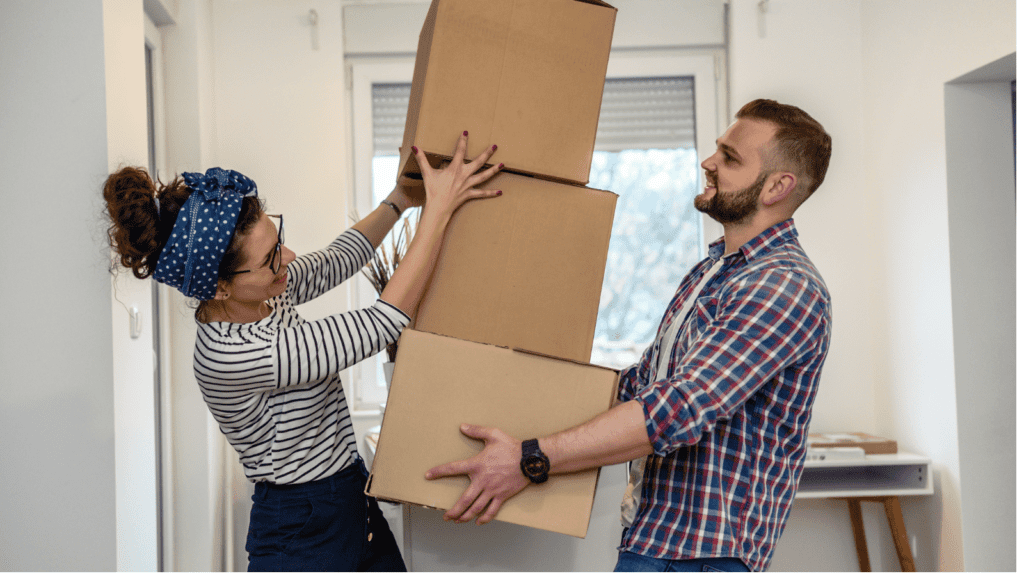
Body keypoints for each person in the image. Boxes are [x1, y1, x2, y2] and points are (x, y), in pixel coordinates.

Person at [423, 99, 833, 572]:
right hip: (656, 539)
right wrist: (512, 387)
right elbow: (641, 384)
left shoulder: (783, 284)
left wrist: (530, 458)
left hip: (703, 557)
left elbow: (678, 407)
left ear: (778, 187)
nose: (708, 162)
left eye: (730, 157)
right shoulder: (714, 271)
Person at [102, 132, 503, 572]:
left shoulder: (263, 295)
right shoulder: (233, 353)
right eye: (272, 258)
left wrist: (399, 200)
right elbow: (381, 322)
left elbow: (336, 259)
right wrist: (439, 212)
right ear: (219, 286)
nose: (288, 258)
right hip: (302, 527)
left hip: (349, 496)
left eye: (279, 241)